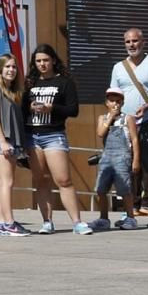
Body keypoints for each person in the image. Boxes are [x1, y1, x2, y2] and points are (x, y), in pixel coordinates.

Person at [23, 44, 92, 235]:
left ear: (53, 60)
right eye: (38, 61)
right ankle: (47, 221)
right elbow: (21, 108)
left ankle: (77, 222)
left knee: (63, 179)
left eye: (45, 60)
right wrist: (30, 108)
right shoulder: (30, 82)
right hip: (32, 136)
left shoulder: (65, 82)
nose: (42, 64)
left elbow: (73, 110)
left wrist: (51, 108)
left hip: (54, 134)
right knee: (40, 180)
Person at [109, 28, 148, 226]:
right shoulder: (118, 67)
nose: (131, 45)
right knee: (126, 170)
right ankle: (129, 214)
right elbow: (112, 95)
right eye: (127, 41)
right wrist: (112, 116)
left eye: (135, 41)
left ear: (143, 42)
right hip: (125, 125)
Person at [0, 55, 30, 236]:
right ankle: (9, 222)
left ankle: (1, 222)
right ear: (0, 69)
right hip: (1, 142)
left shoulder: (13, 92)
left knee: (2, 182)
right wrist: (2, 141)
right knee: (7, 182)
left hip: (10, 142)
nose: (11, 70)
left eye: (14, 67)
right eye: (7, 66)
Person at [90, 88, 140, 231]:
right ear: (106, 102)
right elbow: (100, 133)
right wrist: (110, 117)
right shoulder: (102, 118)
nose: (115, 104)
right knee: (101, 189)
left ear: (122, 103)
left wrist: (135, 159)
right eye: (112, 101)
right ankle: (103, 218)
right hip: (106, 157)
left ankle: (130, 217)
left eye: (118, 101)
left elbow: (134, 139)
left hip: (122, 156)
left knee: (124, 188)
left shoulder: (127, 118)